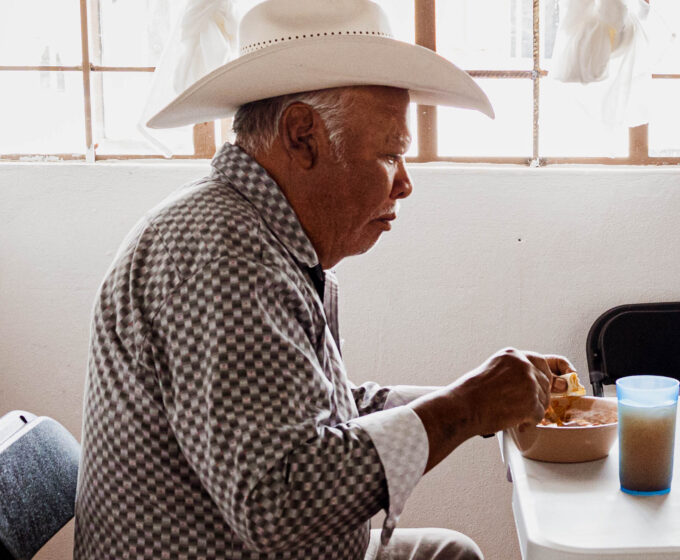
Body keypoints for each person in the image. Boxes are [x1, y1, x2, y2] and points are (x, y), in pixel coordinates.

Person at [75, 1, 575, 559]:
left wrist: (480, 396)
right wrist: (466, 406)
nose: (404, 184)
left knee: (449, 553)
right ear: (302, 136)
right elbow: (277, 504)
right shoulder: (223, 260)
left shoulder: (254, 235)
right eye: (390, 153)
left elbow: (315, 414)